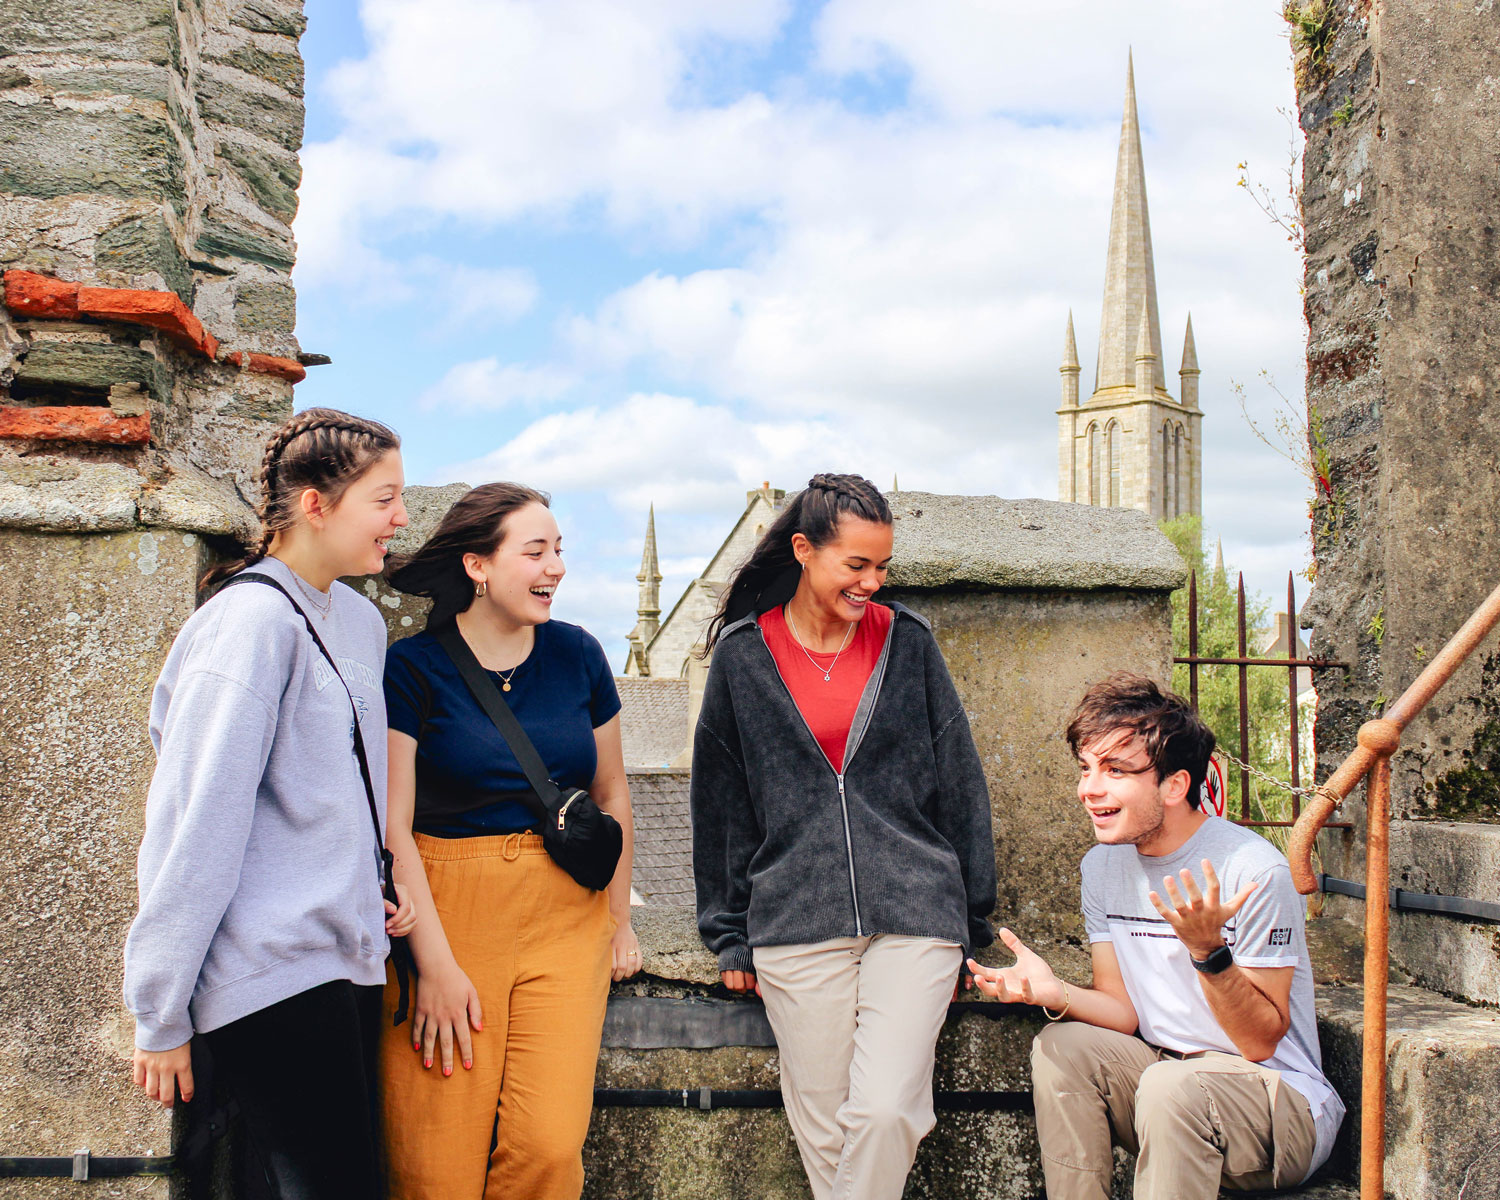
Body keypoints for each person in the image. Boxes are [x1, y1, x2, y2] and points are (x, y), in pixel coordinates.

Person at [124, 408, 417, 1200]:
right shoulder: (249, 623)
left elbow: (333, 792)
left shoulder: (357, 620)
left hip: (346, 960)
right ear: (317, 506)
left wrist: (371, 893)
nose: (401, 518)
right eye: (384, 499)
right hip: (268, 973)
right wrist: (160, 1012)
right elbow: (196, 822)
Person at [691, 472, 997, 1200]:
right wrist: (728, 932)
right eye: (855, 565)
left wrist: (971, 922)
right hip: (795, 918)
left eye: (882, 567)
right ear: (803, 549)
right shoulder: (742, 656)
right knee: (826, 1130)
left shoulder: (908, 643)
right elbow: (722, 803)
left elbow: (960, 781)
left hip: (916, 913)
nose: (872, 583)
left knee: (889, 1110)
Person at [968, 672, 1344, 1200]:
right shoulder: (1102, 868)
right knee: (1063, 1045)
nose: (1088, 789)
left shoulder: (1251, 871)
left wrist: (1208, 951)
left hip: (1276, 1106)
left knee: (1172, 1088)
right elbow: (1124, 1011)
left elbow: (1260, 1042)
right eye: (1087, 768)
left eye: (1115, 770)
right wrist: (1055, 995)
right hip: (1168, 1084)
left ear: (1174, 785)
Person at [379, 482, 639, 1200]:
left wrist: (618, 921)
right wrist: (430, 964)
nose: (556, 566)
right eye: (536, 551)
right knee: (435, 1167)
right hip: (449, 914)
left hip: (565, 919)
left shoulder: (580, 655)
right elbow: (391, 825)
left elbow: (612, 793)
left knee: (550, 1152)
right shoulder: (414, 668)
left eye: (559, 550)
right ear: (478, 566)